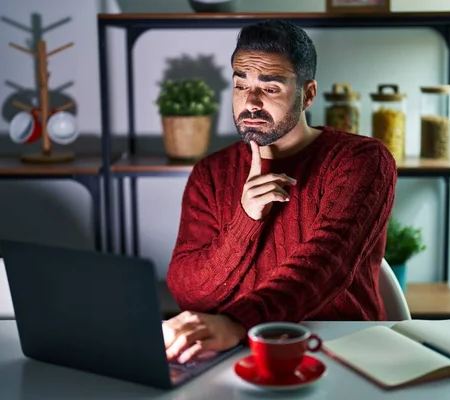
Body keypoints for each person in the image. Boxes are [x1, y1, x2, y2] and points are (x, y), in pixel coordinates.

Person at [162, 19, 397, 364]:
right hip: (237, 351)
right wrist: (245, 219)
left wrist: (237, 323)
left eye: (270, 89)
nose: (251, 102)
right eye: (241, 85)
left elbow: (321, 267)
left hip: (341, 351)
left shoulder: (361, 161)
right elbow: (187, 291)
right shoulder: (211, 174)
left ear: (309, 94)